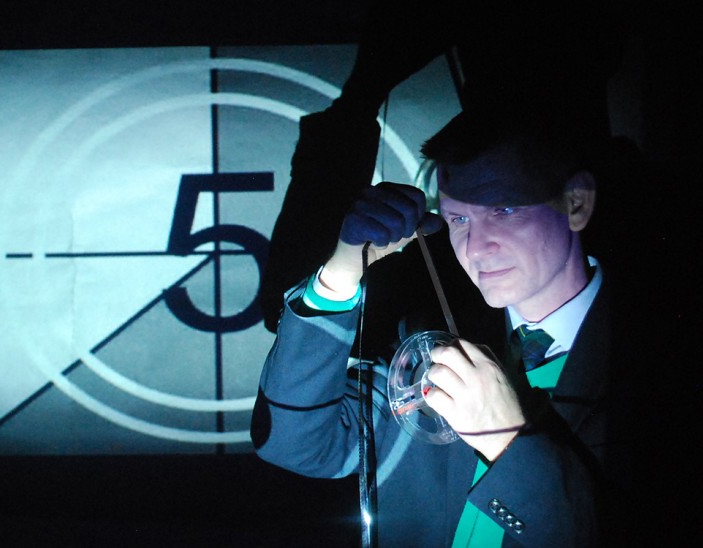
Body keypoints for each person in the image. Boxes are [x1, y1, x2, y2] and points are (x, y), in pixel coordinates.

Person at [251, 1, 669, 545]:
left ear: (576, 204)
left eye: (506, 211)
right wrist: (337, 277)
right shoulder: (431, 348)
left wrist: (508, 440)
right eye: (458, 219)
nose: (478, 245)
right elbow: (292, 443)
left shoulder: (666, 357)